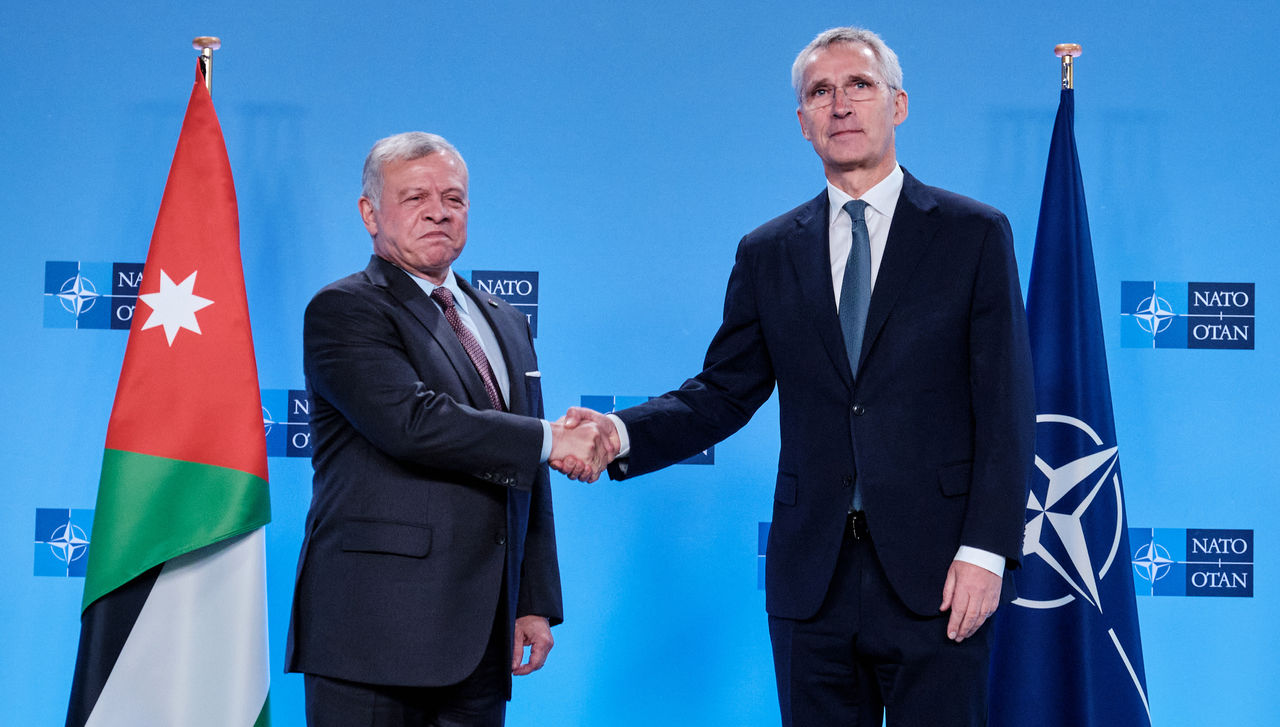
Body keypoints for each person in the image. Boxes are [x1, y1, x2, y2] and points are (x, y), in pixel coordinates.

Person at [559, 27, 1035, 726]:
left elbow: (1006, 406)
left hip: (939, 575)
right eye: (820, 92)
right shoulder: (767, 251)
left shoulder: (973, 234)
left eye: (859, 86)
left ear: (898, 105)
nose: (840, 104)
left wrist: (987, 549)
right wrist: (620, 430)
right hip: (812, 583)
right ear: (803, 122)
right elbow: (722, 390)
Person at [285, 131, 616, 727]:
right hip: (372, 635)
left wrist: (532, 599)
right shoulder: (345, 310)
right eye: (414, 197)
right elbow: (411, 423)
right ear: (370, 213)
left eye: (453, 198)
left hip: (480, 637)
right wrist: (551, 437)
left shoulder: (507, 322)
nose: (438, 210)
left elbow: (526, 468)